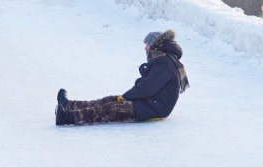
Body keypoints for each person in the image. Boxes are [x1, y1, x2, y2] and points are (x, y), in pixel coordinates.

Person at [55, 30, 189, 126]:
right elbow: (147, 85)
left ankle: (67, 117)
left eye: (147, 45)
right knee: (109, 100)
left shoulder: (165, 63)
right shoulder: (164, 61)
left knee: (110, 109)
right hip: (148, 103)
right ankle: (68, 104)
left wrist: (126, 97)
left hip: (154, 109)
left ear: (155, 46)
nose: (145, 48)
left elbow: (146, 88)